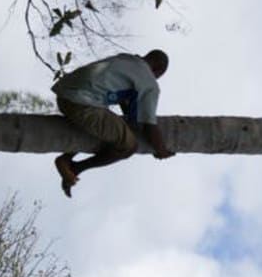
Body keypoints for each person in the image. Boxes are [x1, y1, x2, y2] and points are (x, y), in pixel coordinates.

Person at [52, 49, 175, 197]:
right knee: (128, 146)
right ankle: (75, 167)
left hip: (64, 95)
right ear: (158, 69)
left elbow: (129, 108)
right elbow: (150, 125)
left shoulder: (126, 58)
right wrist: (161, 150)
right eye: (159, 76)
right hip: (82, 104)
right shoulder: (149, 82)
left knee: (112, 127)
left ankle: (68, 158)